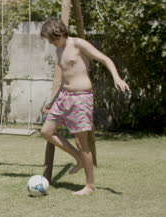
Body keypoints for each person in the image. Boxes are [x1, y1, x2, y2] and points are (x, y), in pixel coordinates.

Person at [39, 17, 129, 195]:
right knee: (46, 131)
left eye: (52, 39)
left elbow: (105, 59)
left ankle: (90, 185)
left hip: (81, 98)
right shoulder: (59, 49)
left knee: (82, 143)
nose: (50, 43)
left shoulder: (79, 44)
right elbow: (66, 78)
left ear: (59, 32)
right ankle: (79, 159)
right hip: (63, 96)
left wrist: (116, 78)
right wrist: (53, 101)